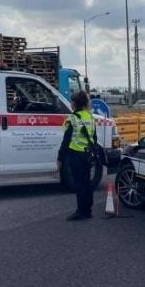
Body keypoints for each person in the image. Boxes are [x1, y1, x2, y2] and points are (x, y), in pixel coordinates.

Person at [58, 91, 97, 220]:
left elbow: (66, 140)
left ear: (74, 103)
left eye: (72, 101)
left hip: (75, 155)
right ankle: (88, 209)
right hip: (87, 155)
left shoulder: (72, 118)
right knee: (87, 183)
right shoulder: (90, 117)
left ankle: (81, 211)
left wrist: (60, 158)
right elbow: (94, 137)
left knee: (79, 184)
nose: (71, 103)